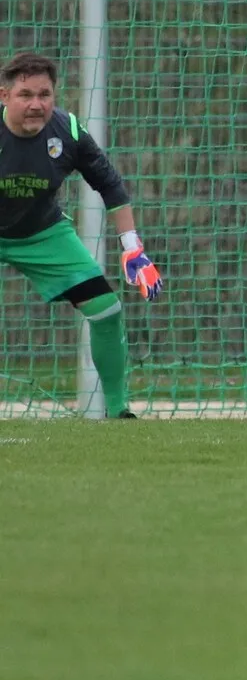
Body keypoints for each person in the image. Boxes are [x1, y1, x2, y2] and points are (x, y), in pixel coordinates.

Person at [0, 51, 161, 418]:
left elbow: (110, 184)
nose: (37, 104)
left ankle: (119, 412)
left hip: (42, 234)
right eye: (26, 95)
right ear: (4, 96)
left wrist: (132, 248)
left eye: (45, 94)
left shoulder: (67, 131)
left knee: (107, 310)